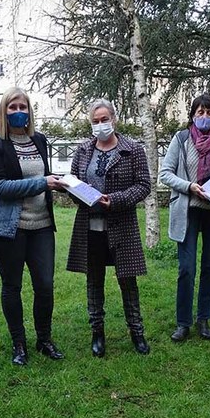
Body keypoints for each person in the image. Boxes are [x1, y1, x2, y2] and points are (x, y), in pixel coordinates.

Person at [0, 87, 66, 365]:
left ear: (30, 111)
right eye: (13, 107)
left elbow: (44, 177)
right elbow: (0, 186)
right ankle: (18, 343)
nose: (19, 112)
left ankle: (44, 339)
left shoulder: (39, 140)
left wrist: (63, 184)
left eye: (23, 107)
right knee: (12, 286)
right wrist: (44, 182)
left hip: (41, 225)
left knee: (45, 285)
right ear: (3, 111)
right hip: (9, 228)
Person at [66, 99, 152, 357]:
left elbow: (144, 185)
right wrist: (76, 192)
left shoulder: (132, 149)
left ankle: (137, 332)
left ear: (114, 119)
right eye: (95, 121)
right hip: (89, 227)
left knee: (128, 282)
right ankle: (97, 333)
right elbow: (73, 183)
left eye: (105, 119)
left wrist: (115, 200)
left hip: (121, 225)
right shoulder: (82, 151)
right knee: (94, 281)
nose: (100, 125)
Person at [159, 93, 210, 342]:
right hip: (188, 209)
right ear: (193, 115)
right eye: (199, 112)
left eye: (209, 112)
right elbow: (165, 173)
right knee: (186, 268)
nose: (204, 117)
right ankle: (183, 323)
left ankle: (203, 319)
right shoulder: (181, 138)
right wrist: (189, 186)